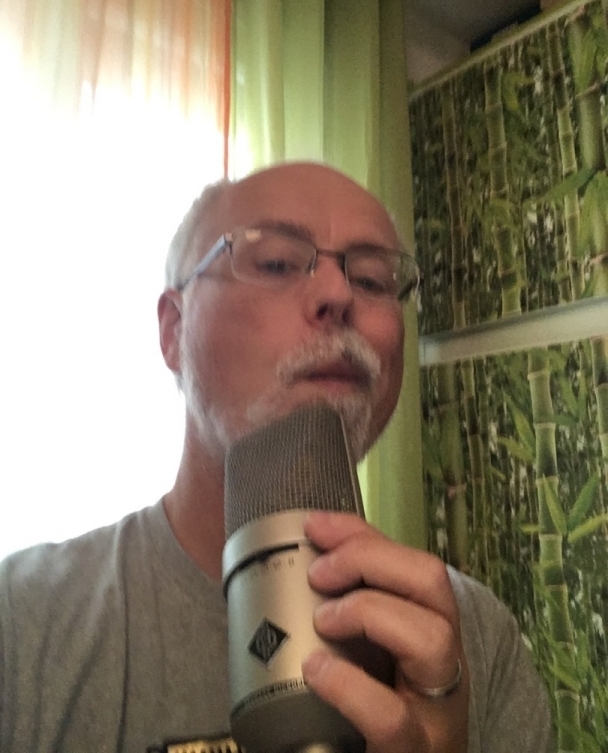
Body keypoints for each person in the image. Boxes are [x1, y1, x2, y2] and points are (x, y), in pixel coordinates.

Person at [0, 162, 553, 753]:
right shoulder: (23, 624)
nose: (338, 294)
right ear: (173, 330)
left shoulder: (472, 642)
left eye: (372, 279)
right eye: (276, 264)